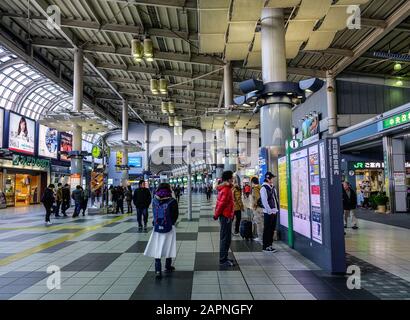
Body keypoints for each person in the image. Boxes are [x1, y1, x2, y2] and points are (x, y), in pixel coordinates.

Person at [144, 183, 179, 278]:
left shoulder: (154, 200)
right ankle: (168, 266)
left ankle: (158, 270)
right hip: (169, 227)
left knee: (157, 247)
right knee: (169, 246)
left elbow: (154, 213)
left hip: (157, 228)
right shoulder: (172, 201)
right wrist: (171, 223)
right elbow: (175, 215)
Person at [214, 171, 235, 267]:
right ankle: (223, 260)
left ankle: (225, 257)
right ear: (229, 178)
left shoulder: (226, 188)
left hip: (227, 215)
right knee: (225, 238)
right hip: (225, 216)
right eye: (232, 177)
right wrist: (216, 215)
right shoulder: (226, 189)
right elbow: (221, 204)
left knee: (227, 238)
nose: (233, 178)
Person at [260, 172, 279, 253]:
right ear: (268, 179)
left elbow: (275, 199)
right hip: (268, 213)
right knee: (267, 229)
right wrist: (270, 211)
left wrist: (276, 209)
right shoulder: (263, 188)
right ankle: (265, 246)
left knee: (271, 229)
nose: (272, 180)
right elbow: (264, 201)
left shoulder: (272, 187)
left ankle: (270, 245)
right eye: (271, 178)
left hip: (274, 211)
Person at [251, 177, 263, 243]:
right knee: (262, 223)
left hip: (258, 208)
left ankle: (260, 237)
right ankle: (263, 236)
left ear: (252, 182)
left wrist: (255, 206)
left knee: (259, 223)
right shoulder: (260, 187)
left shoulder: (255, 189)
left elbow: (257, 198)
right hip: (262, 208)